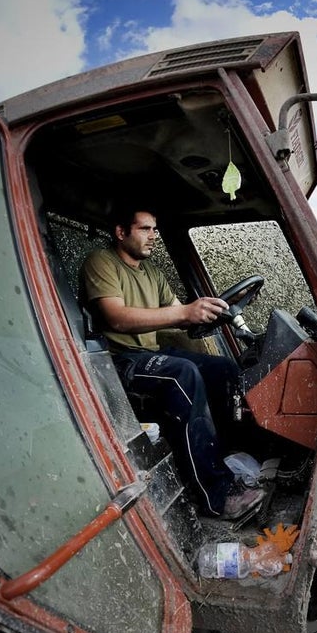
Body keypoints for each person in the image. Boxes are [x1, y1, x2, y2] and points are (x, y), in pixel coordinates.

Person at [81, 206, 263, 519]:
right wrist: (184, 312)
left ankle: (227, 456)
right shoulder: (101, 262)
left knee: (222, 368)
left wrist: (214, 310)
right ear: (121, 232)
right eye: (145, 229)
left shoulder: (152, 273)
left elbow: (181, 317)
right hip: (116, 361)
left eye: (155, 229)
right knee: (183, 373)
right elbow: (117, 318)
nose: (153, 236)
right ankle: (216, 496)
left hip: (148, 355)